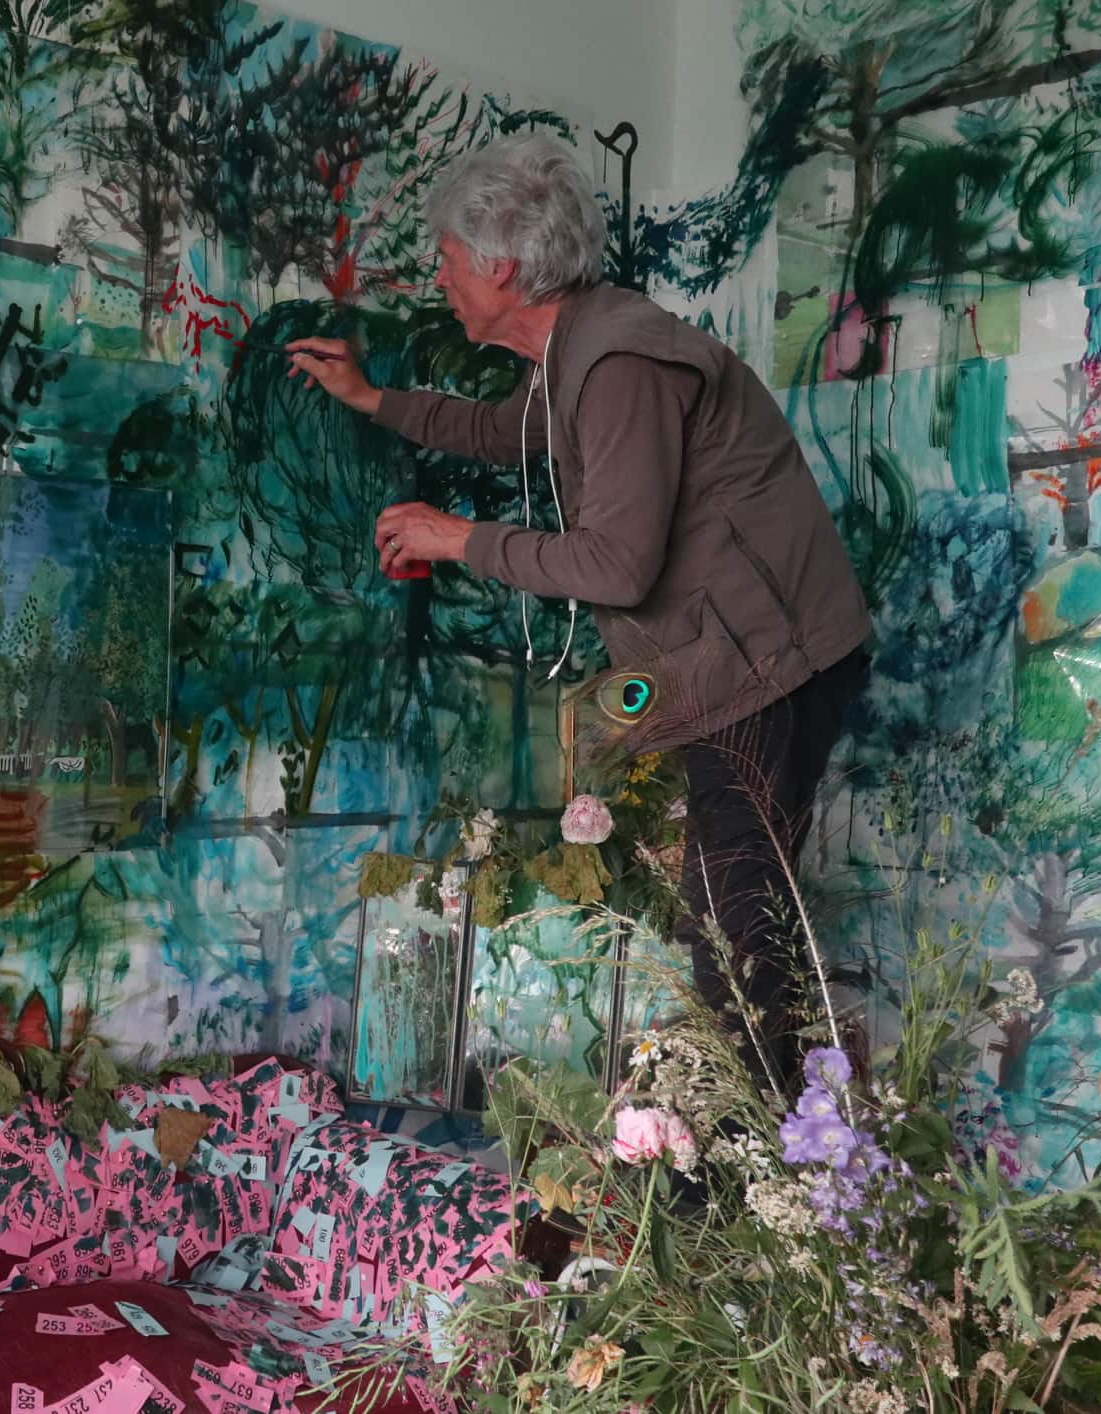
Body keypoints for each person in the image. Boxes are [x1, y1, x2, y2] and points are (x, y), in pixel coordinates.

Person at [285, 133, 873, 1085]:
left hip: (771, 666)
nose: (440, 276)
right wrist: (372, 399)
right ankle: (794, 1138)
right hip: (738, 662)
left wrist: (456, 538)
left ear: (501, 267)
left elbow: (616, 565)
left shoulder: (616, 364)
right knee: (739, 924)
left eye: (447, 256)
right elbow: (503, 431)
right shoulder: (575, 351)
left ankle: (762, 1148)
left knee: (735, 934)